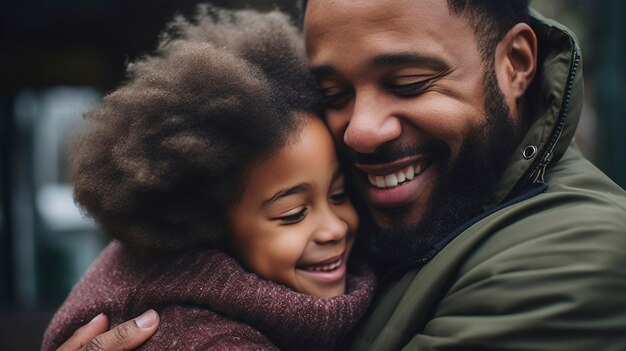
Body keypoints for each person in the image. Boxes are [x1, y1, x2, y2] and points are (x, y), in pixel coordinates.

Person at [57, 0, 626, 350]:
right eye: (332, 94)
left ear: (516, 64)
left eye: (408, 82)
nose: (361, 131)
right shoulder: (399, 210)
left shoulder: (582, 252)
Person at [42, 7, 375, 351]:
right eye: (293, 213)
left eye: (338, 194)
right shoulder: (203, 339)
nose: (334, 227)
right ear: (205, 224)